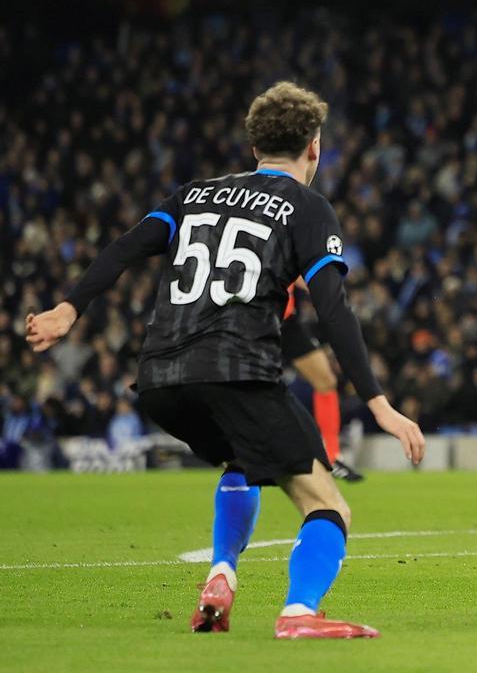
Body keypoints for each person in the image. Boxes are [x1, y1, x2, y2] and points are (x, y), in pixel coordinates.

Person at [25, 82, 426, 638]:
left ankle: (221, 574)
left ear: (253, 145)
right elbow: (333, 309)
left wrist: (69, 308)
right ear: (314, 147)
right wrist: (379, 403)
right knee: (328, 506)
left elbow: (123, 246)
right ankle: (299, 613)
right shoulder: (307, 208)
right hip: (238, 371)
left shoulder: (193, 195)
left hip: (161, 378)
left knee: (243, 461)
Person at [281, 282, 364, 482]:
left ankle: (332, 456)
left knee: (325, 381)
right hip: (255, 318)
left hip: (285, 320)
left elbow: (306, 273)